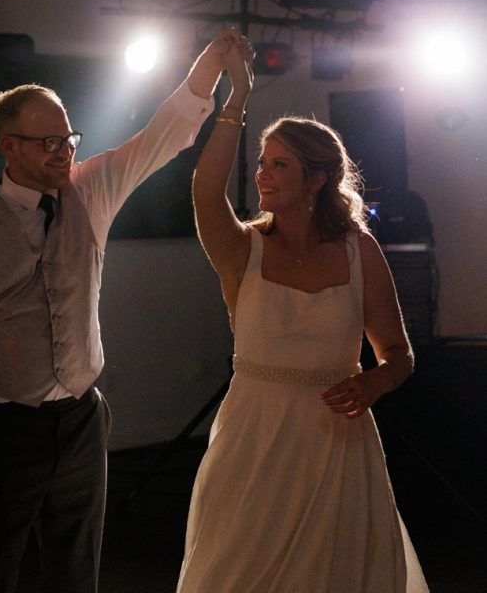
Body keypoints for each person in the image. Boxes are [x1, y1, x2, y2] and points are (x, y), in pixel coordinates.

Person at [0, 29, 237, 593]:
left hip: (83, 421)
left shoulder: (91, 191)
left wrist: (208, 67)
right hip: (3, 429)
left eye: (67, 137)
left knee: (76, 572)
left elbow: (160, 137)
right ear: (9, 147)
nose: (63, 150)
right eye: (47, 141)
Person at [177, 33, 429, 593]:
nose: (262, 174)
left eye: (280, 165)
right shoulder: (242, 249)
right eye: (262, 163)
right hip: (253, 439)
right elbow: (205, 192)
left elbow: (399, 354)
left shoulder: (359, 251)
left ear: (316, 180)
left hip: (335, 444)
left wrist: (376, 381)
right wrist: (237, 98)